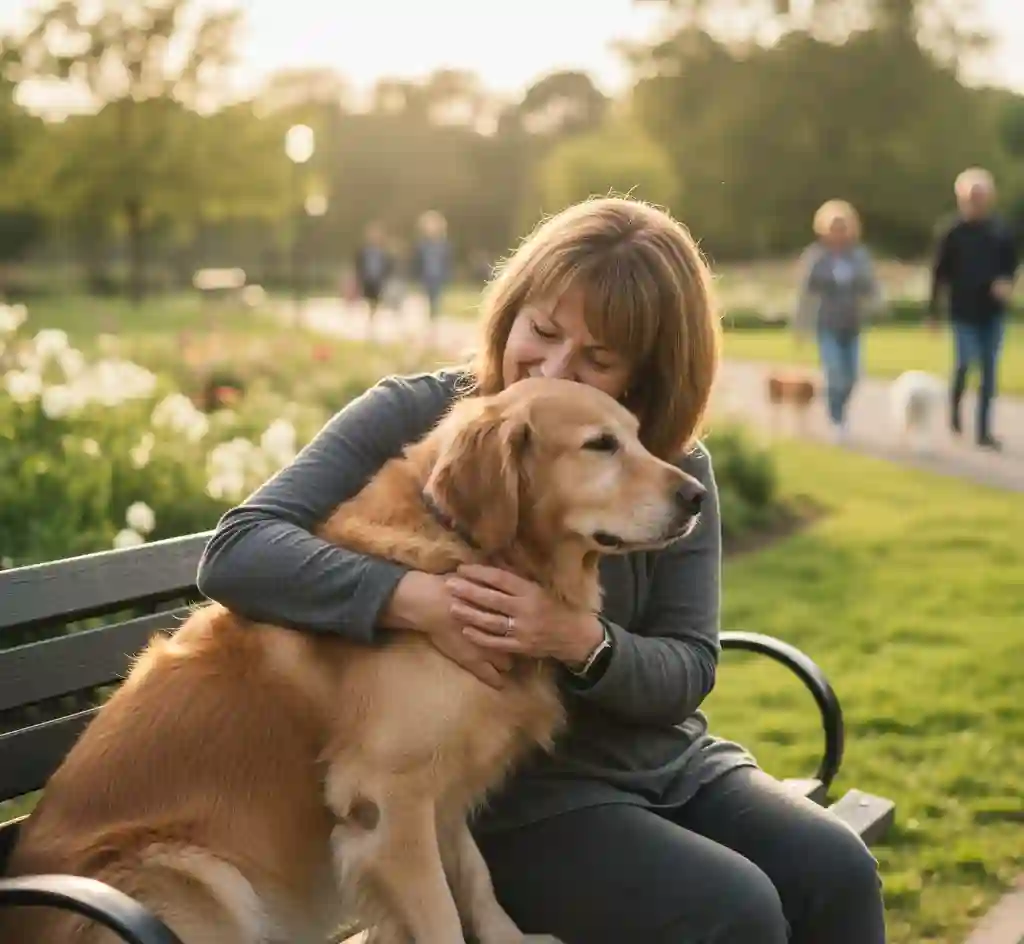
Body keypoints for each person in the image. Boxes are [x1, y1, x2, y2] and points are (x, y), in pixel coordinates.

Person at [197, 197, 885, 944]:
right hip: (524, 801)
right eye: (544, 331)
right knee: (735, 908)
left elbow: (687, 666)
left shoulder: (673, 472)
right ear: (511, 311)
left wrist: (576, 637)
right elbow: (240, 549)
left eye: (599, 358)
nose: (557, 366)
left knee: (836, 869)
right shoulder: (419, 415)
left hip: (671, 762)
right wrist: (417, 598)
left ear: (646, 374)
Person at [928, 167, 1018, 450]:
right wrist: (933, 312)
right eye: (971, 197)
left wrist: (1006, 282)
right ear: (961, 199)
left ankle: (984, 431)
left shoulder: (1001, 232)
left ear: (990, 198)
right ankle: (954, 412)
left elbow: (1010, 266)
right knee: (964, 364)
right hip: (962, 311)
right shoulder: (951, 233)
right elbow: (939, 273)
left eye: (981, 196)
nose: (976, 202)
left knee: (989, 372)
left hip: (992, 312)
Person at [794, 199, 884, 444]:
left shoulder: (859, 256)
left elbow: (871, 286)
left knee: (853, 375)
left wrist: (878, 303)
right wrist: (800, 326)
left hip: (853, 324)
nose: (838, 232)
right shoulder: (817, 257)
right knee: (834, 372)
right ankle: (836, 418)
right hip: (827, 324)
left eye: (842, 226)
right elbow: (805, 294)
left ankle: (840, 408)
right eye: (833, 226)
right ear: (823, 228)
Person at [412, 209, 453, 343]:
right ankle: (428, 326)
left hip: (438, 277)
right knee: (428, 302)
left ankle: (433, 328)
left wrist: (447, 276)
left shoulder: (444, 245)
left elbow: (447, 262)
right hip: (426, 277)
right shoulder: (422, 245)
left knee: (435, 302)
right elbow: (417, 262)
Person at [354, 221, 395, 338]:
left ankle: (373, 321)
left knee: (375, 302)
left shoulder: (384, 252)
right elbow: (358, 264)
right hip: (367, 280)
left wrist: (386, 278)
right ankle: (369, 321)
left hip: (378, 280)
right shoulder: (363, 251)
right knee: (367, 301)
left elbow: (388, 266)